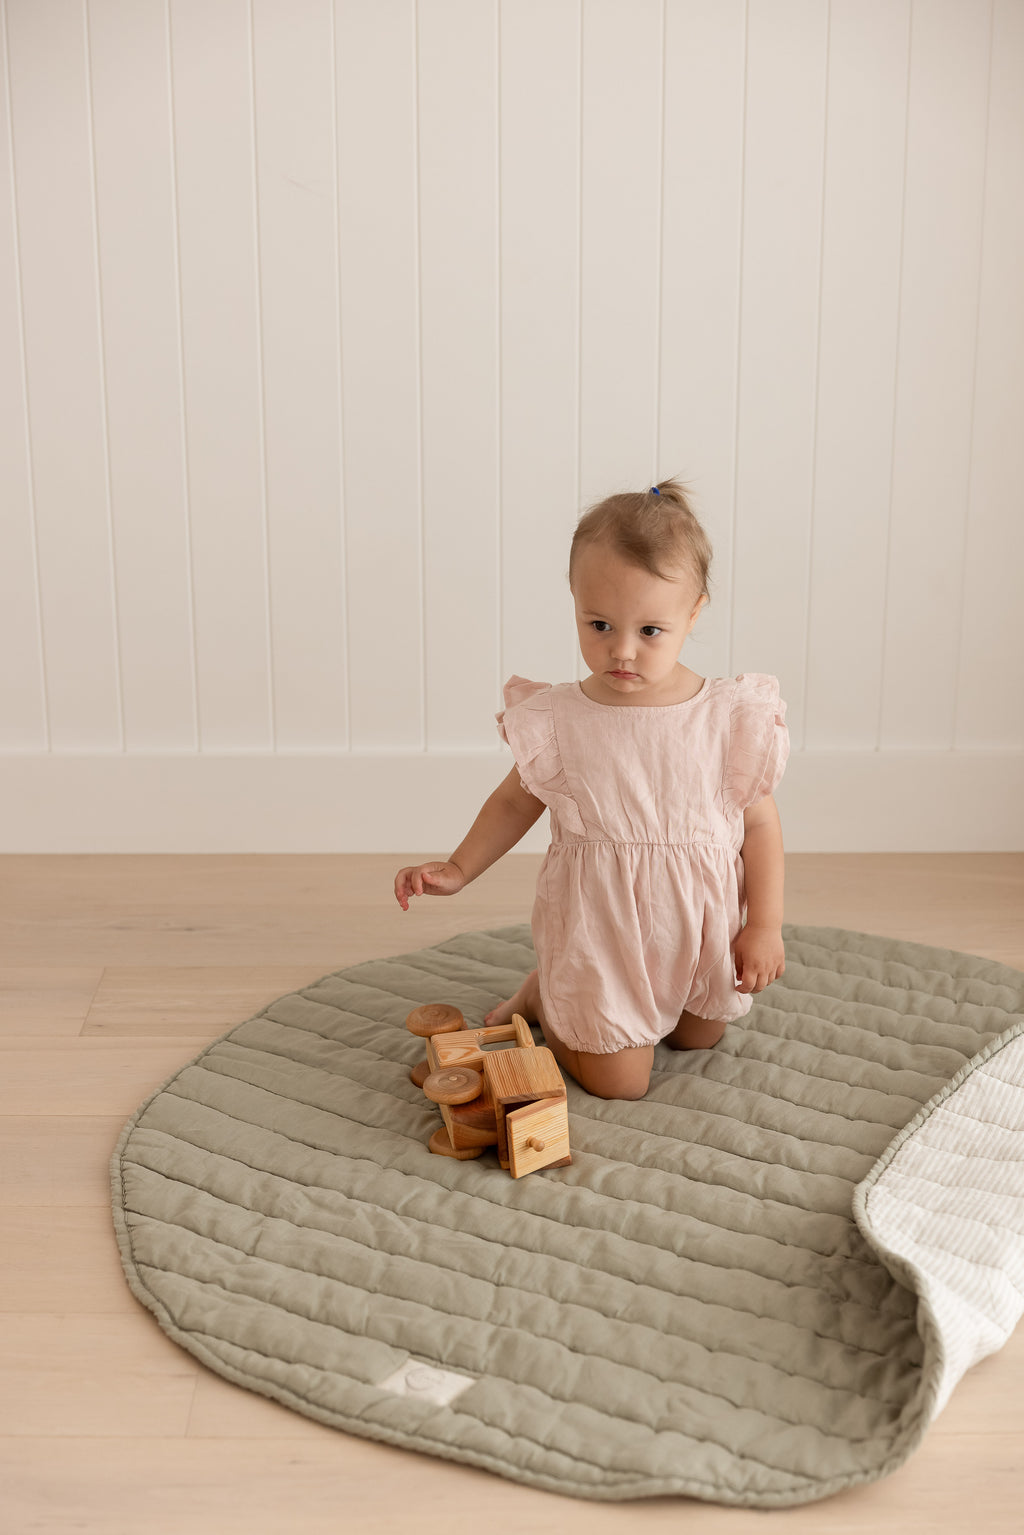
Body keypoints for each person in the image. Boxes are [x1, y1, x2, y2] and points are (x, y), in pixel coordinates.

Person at [394, 479, 788, 1101]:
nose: (621, 651)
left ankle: (599, 997)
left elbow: (759, 826)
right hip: (602, 926)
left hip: (698, 927)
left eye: (650, 630)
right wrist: (459, 868)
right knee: (620, 1085)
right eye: (599, 624)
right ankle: (551, 999)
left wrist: (763, 924)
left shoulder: (726, 716)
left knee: (699, 1036)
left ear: (694, 613)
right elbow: (514, 801)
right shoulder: (562, 719)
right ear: (575, 602)